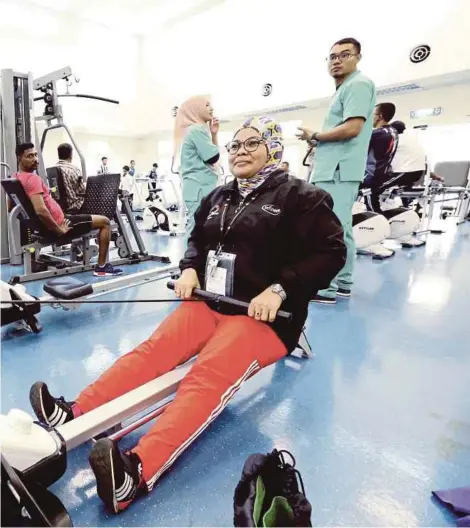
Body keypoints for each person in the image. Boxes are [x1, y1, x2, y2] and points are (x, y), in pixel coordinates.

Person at [28, 117, 346, 514]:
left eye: (252, 144)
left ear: (274, 149)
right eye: (235, 145)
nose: (240, 151)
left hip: (262, 317)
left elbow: (331, 253)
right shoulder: (219, 196)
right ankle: (74, 410)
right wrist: (191, 267)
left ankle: (136, 473)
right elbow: (198, 241)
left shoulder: (302, 197)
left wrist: (280, 289)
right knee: (152, 351)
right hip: (210, 301)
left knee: (206, 377)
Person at [297, 37, 376, 304]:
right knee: (342, 227)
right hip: (336, 168)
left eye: (344, 55)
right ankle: (343, 282)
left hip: (339, 170)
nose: (337, 60)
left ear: (358, 57)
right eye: (332, 57)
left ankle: (327, 287)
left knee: (330, 229)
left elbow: (353, 127)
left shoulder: (359, 84)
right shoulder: (345, 89)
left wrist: (317, 136)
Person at [14, 143, 122, 277]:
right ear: (20, 158)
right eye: (30, 156)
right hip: (62, 224)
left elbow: (12, 207)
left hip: (53, 221)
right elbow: (41, 211)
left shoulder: (16, 178)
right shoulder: (33, 179)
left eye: (36, 155)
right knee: (105, 222)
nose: (35, 159)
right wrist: (59, 230)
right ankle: (102, 267)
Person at [174, 95, 220, 238]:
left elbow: (212, 158)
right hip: (199, 186)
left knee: (201, 224)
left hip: (199, 185)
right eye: (207, 105)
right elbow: (213, 156)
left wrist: (214, 134)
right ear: (196, 109)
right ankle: (191, 259)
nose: (211, 108)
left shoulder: (197, 130)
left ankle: (195, 258)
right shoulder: (196, 130)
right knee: (197, 225)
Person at [360, 103, 399, 212]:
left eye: (373, 114)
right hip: (381, 173)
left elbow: (356, 147)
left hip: (370, 176)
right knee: (373, 205)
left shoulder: (378, 133)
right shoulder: (393, 131)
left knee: (372, 209)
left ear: (379, 116)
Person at [56, 143, 86, 214]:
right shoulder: (73, 169)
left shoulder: (52, 169)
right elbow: (82, 190)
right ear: (71, 154)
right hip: (75, 207)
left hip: (60, 208)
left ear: (59, 154)